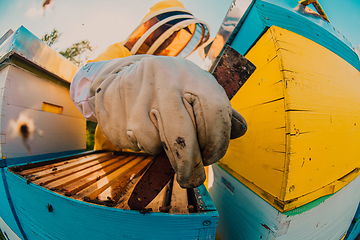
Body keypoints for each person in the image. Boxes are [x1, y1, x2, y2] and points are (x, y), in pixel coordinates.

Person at [70, 0, 247, 188]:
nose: (169, 39)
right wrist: (122, 85)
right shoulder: (119, 51)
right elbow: (84, 81)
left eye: (176, 35)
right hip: (112, 157)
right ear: (150, 26)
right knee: (115, 197)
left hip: (153, 163)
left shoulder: (171, 72)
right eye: (168, 30)